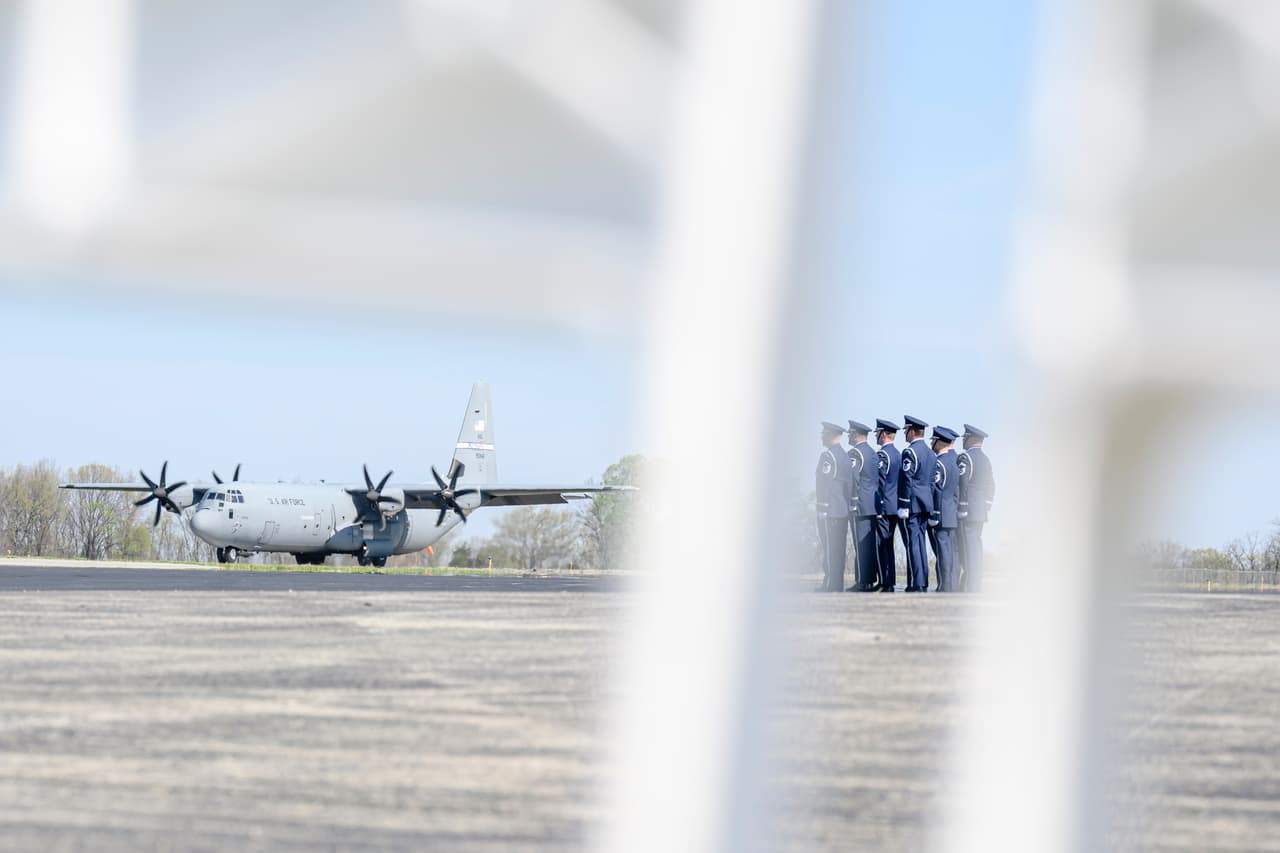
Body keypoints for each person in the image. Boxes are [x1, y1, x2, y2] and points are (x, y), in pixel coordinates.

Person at [897, 415, 936, 592]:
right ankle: (923, 581)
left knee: (913, 543)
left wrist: (904, 505)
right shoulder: (930, 452)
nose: (904, 433)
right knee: (920, 543)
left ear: (912, 431)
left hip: (912, 504)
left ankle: (916, 583)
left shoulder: (910, 452)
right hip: (926, 503)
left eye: (906, 430)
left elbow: (907, 478)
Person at [958, 423, 995, 592]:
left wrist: (963, 506)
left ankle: (971, 586)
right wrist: (986, 504)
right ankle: (975, 584)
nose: (963, 440)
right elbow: (991, 485)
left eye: (965, 437)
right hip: (979, 510)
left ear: (971, 439)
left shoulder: (966, 458)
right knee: (976, 548)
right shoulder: (986, 459)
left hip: (969, 511)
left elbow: (963, 483)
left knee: (969, 549)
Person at [816, 421, 852, 592]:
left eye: (824, 434)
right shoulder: (845, 456)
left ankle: (831, 584)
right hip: (842, 509)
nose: (822, 437)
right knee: (838, 548)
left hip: (830, 510)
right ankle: (836, 583)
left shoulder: (828, 457)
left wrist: (822, 507)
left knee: (830, 549)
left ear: (830, 435)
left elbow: (825, 485)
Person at [846, 420, 880, 591]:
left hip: (859, 504)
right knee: (868, 544)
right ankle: (869, 578)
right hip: (872, 504)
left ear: (855, 434)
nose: (848, 437)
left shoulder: (855, 453)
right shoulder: (873, 453)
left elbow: (853, 479)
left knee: (861, 545)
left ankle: (862, 581)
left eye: (850, 434)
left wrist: (852, 502)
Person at [929, 425, 961, 592]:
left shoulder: (939, 463)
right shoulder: (954, 461)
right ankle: (952, 584)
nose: (931, 443)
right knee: (952, 552)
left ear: (939, 442)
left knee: (943, 553)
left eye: (933, 441)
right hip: (952, 513)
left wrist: (935, 513)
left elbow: (937, 489)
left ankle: (945, 586)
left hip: (941, 513)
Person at [873, 419, 900, 592]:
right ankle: (889, 580)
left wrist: (880, 507)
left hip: (884, 506)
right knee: (888, 545)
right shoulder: (898, 453)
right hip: (895, 506)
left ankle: (885, 581)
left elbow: (880, 482)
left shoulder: (883, 455)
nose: (875, 436)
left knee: (882, 545)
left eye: (877, 433)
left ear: (883, 434)